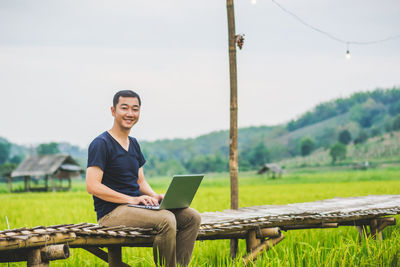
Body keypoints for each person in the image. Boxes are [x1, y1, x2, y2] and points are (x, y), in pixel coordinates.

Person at [86, 90, 201, 267]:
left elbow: (140, 182)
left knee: (192, 217)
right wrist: (132, 199)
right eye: (124, 108)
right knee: (166, 219)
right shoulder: (101, 143)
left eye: (135, 109)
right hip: (112, 213)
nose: (130, 114)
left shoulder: (134, 144)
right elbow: (92, 186)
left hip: (136, 207)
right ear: (113, 110)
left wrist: (156, 197)